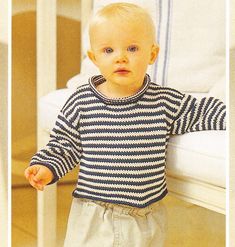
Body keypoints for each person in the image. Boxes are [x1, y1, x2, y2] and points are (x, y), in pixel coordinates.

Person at [24, 3, 226, 247]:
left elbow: (206, 111)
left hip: (146, 217)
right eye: (108, 50)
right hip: (95, 215)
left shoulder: (164, 101)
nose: (120, 57)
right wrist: (47, 166)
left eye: (132, 48)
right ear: (94, 58)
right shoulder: (82, 101)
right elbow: (64, 144)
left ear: (152, 54)